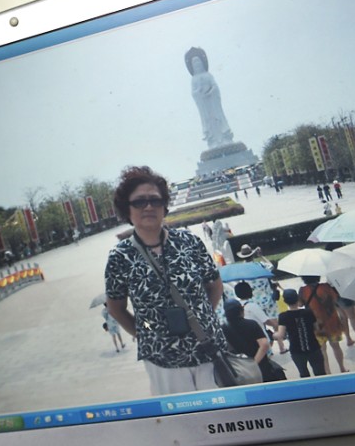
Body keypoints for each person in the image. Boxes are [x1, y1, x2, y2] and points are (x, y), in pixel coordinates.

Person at [105, 165, 225, 396]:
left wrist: (202, 319)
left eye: (155, 200)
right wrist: (146, 332)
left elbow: (214, 284)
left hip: (207, 350)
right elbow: (116, 309)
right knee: (184, 422)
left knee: (223, 414)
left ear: (164, 206)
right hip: (164, 360)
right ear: (127, 209)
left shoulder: (188, 241)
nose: (148, 206)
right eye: (139, 202)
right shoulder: (120, 257)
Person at [222, 300, 283, 382]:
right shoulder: (251, 324)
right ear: (241, 310)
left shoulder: (223, 328)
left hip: (240, 369)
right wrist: (254, 363)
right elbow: (264, 345)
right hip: (260, 366)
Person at [298, 276, 348, 373]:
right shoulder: (326, 287)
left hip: (316, 324)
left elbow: (300, 304)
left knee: (322, 350)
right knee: (336, 346)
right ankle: (342, 368)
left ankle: (327, 371)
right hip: (332, 322)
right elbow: (335, 299)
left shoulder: (303, 290)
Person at [275, 289, 327, 377]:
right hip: (313, 346)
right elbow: (317, 328)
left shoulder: (283, 316)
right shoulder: (308, 312)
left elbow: (280, 335)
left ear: (285, 301)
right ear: (298, 299)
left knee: (304, 374)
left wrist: (273, 335)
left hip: (296, 350)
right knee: (320, 373)